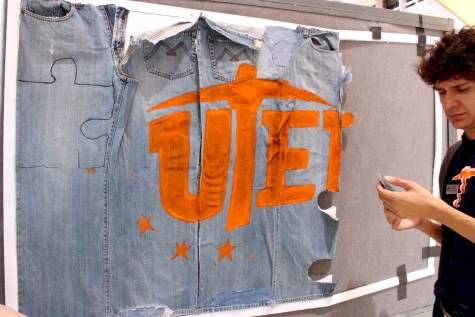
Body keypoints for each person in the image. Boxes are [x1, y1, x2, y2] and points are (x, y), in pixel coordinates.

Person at [377, 26, 475, 317]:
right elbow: (460, 238)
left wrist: (434, 208)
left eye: (462, 89)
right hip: (445, 304)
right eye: (442, 92)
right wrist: (422, 221)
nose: (448, 103)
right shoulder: (455, 155)